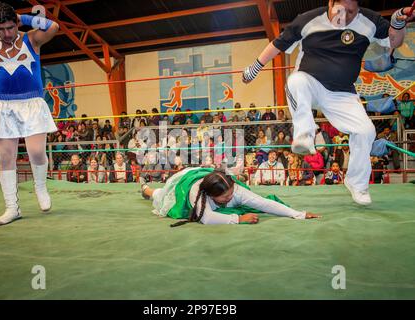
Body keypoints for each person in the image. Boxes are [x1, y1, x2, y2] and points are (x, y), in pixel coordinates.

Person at [242, 0, 414, 205]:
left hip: (343, 94)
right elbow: (276, 44)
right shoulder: (308, 20)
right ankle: (304, 135)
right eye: (342, 10)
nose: (347, 16)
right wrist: (254, 67)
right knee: (295, 80)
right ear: (331, 3)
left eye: (352, 11)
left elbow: (395, 42)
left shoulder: (369, 20)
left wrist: (397, 22)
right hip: (310, 84)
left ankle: (357, 184)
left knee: (366, 130)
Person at [0, 2, 59, 225]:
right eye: (0, 29)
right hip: (3, 106)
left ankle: (40, 187)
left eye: (10, 27)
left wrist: (22, 18)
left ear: (16, 24)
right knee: (5, 158)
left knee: (36, 152)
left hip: (31, 103)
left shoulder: (32, 39)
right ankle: (12, 207)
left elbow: (53, 26)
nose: (6, 34)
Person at [139, 167, 320, 225]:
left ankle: (149, 190)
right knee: (162, 196)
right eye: (224, 197)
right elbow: (206, 218)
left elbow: (263, 203)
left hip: (209, 177)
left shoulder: (235, 190)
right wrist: (239, 218)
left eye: (231, 194)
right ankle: (146, 189)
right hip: (184, 186)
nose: (229, 198)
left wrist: (298, 213)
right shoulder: (197, 193)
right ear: (211, 195)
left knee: (246, 197)